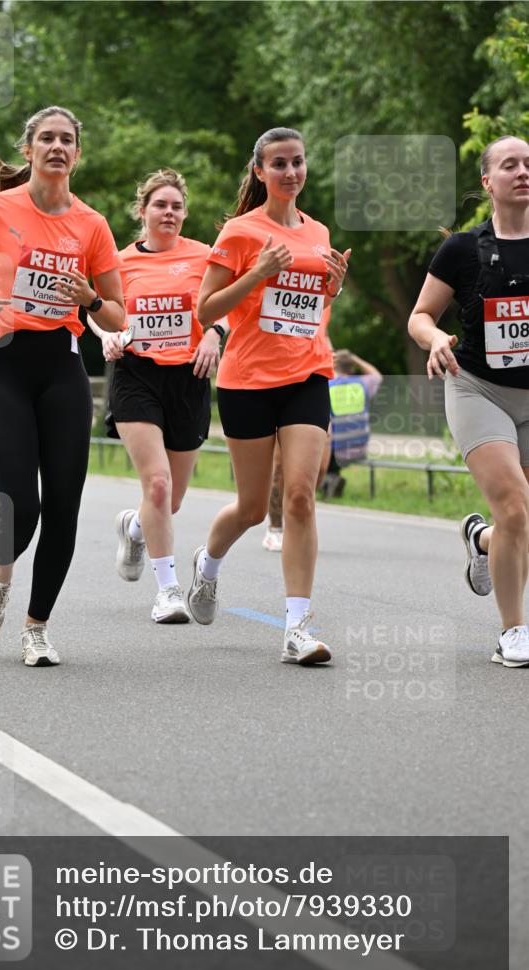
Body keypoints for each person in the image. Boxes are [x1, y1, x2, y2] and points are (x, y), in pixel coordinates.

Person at [0, 105, 125, 666]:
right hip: (0, 365)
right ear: (29, 149)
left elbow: (116, 317)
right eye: (47, 139)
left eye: (67, 140)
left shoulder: (93, 225)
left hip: (61, 368)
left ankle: (36, 628)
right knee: (22, 504)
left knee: (64, 506)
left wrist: (88, 300)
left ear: (77, 155)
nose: (57, 147)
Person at [187, 127, 350, 665]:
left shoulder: (319, 231)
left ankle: (297, 627)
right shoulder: (238, 232)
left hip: (307, 374)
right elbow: (206, 311)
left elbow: (311, 312)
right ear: (259, 172)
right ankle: (207, 565)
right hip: (247, 380)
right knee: (254, 508)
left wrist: (332, 287)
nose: (291, 172)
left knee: (300, 496)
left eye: (298, 162)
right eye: (278, 164)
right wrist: (257, 271)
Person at [409, 135, 529, 668]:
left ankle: (482, 542)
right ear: (488, 182)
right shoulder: (461, 249)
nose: (523, 171)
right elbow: (420, 316)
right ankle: (513, 631)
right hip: (477, 387)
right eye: (510, 165)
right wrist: (435, 340)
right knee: (515, 507)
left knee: (520, 522)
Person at [99, 169, 225, 623]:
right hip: (137, 374)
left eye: (175, 206)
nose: (168, 212)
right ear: (143, 211)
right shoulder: (119, 261)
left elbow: (230, 308)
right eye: (159, 205)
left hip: (189, 376)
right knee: (157, 484)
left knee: (169, 501)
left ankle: (133, 528)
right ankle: (168, 591)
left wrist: (214, 334)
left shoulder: (205, 257)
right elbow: (101, 311)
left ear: (184, 213)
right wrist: (106, 337)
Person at [318, 348, 383, 498]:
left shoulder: (326, 385)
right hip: (359, 448)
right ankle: (331, 479)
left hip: (335, 452)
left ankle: (329, 479)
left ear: (333, 366)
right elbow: (377, 376)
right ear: (351, 368)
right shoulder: (362, 384)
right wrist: (354, 358)